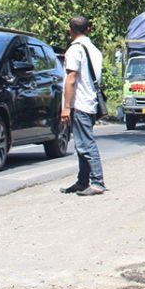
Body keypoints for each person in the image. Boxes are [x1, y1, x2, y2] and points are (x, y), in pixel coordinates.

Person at [60, 15, 107, 196]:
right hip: (91, 102)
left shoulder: (75, 50)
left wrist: (66, 107)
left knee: (86, 144)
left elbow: (71, 79)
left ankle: (97, 182)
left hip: (80, 103)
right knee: (82, 144)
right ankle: (82, 181)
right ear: (88, 29)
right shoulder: (94, 49)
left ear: (70, 30)